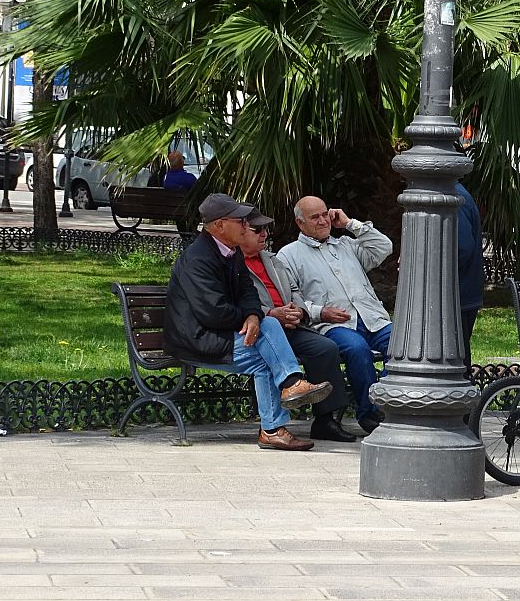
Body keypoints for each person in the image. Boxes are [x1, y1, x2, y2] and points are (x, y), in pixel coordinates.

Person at [163, 193, 333, 451]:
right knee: (269, 340)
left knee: (267, 342)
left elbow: (248, 293)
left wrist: (254, 315)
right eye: (240, 221)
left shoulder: (231, 253)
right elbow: (212, 312)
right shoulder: (198, 259)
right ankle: (288, 391)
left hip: (221, 333)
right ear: (219, 225)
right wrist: (251, 318)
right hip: (196, 339)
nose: (246, 225)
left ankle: (274, 427)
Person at [240, 213, 360, 441]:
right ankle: (275, 422)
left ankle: (326, 420)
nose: (264, 234)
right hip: (262, 329)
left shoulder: (272, 260)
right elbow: (239, 302)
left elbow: (294, 289)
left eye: (266, 229)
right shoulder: (234, 264)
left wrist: (300, 311)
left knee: (325, 348)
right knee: (270, 351)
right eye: (257, 230)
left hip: (290, 325)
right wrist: (269, 313)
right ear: (241, 232)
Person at [277, 196, 392, 432]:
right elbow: (290, 299)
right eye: (314, 217)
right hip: (334, 325)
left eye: (324, 214)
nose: (322, 221)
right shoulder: (289, 255)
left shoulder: (346, 245)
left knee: (404, 342)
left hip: (371, 317)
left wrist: (350, 224)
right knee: (357, 349)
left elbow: (384, 247)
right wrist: (321, 312)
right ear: (300, 223)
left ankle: (390, 404)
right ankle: (370, 412)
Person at [457, 181, 484, 367]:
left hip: (459, 294)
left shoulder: (453, 196)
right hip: (465, 292)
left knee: (457, 357)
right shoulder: (458, 193)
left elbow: (462, 247)